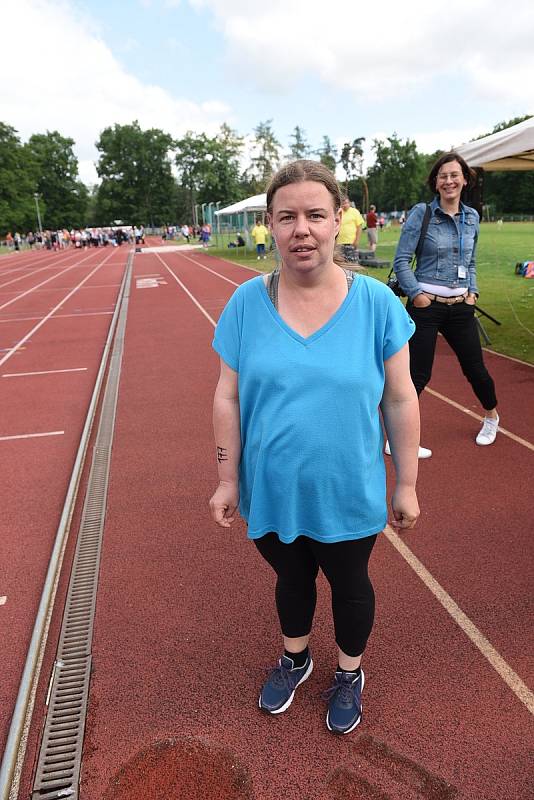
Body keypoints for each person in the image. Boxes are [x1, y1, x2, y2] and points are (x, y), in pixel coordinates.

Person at [209, 160, 420, 735]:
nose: (301, 229)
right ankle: (296, 657)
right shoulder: (246, 303)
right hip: (271, 487)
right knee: (292, 580)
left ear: (338, 222)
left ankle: (349, 672)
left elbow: (400, 400)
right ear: (271, 227)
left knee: (351, 583)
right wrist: (228, 479)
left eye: (315, 215)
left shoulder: (377, 303)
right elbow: (227, 396)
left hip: (347, 487)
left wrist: (406, 483)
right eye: (287, 217)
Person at [389, 151, 499, 459]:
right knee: (416, 374)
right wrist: (418, 295)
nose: (449, 181)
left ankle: (491, 417)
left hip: (461, 306)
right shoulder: (422, 214)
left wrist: (472, 292)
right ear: (435, 183)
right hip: (425, 306)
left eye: (454, 175)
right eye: (443, 176)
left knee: (475, 368)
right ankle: (399, 436)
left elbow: (471, 261)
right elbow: (401, 261)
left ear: (465, 180)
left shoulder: (472, 218)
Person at [337, 196, 364, 262]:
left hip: (351, 242)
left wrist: (356, 241)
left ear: (349, 203)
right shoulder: (338, 213)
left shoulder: (355, 212)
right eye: (343, 203)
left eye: (346, 203)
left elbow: (359, 227)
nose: (345, 205)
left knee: (352, 263)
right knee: (340, 263)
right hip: (339, 243)